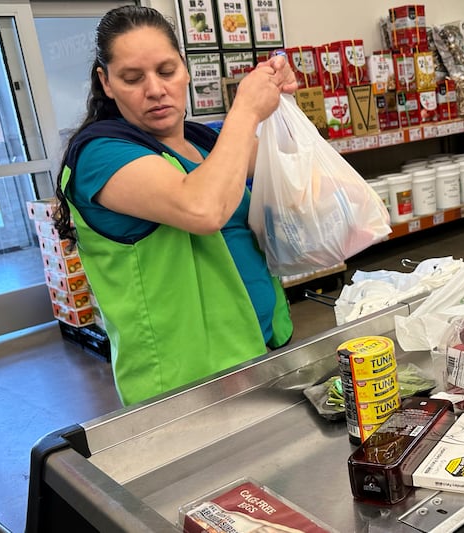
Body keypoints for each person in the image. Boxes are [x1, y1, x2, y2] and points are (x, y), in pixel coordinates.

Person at [53, 5, 297, 406]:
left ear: (185, 70)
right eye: (132, 78)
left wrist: (280, 95)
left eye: (166, 71)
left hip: (261, 349)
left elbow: (294, 169)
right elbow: (202, 209)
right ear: (106, 82)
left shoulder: (203, 142)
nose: (154, 89)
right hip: (188, 385)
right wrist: (246, 109)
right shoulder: (101, 155)